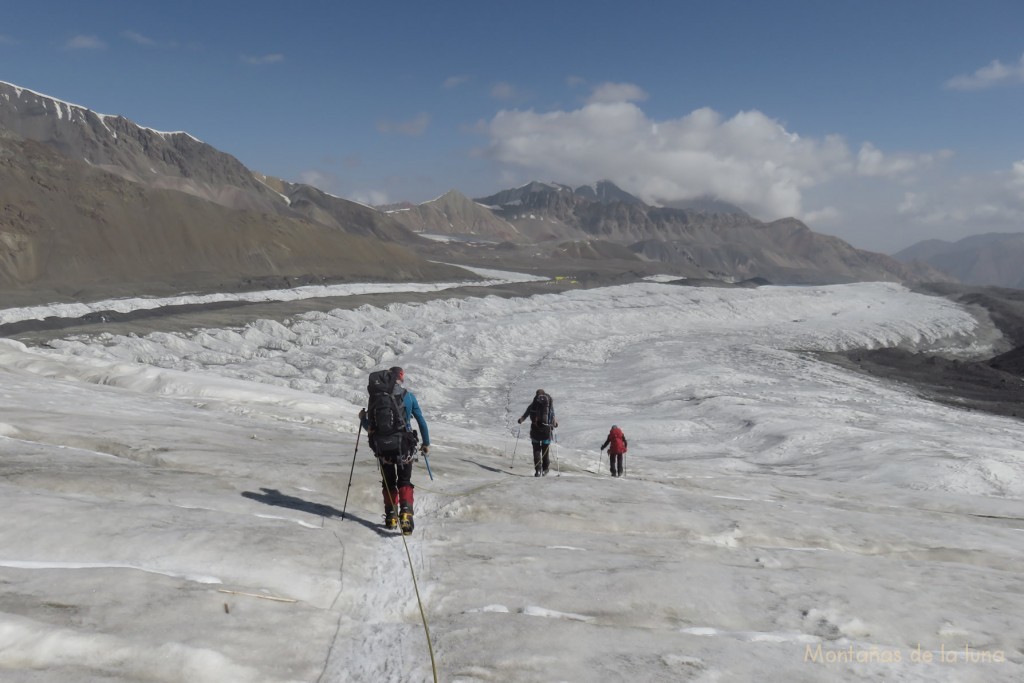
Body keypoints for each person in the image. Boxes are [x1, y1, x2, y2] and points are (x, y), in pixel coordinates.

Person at [360, 366, 430, 534]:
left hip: (383, 449)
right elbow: (421, 421)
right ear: (401, 377)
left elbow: (371, 427)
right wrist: (426, 443)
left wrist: (363, 419)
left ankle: (391, 516)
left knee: (388, 482)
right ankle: (406, 516)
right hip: (404, 447)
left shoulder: (376, 398)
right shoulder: (408, 397)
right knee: (404, 481)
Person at [517, 389, 557, 477]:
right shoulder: (548, 405)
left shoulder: (532, 405)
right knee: (545, 451)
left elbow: (524, 416)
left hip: (535, 431)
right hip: (546, 431)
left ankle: (538, 470)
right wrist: (555, 424)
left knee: (536, 451)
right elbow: (553, 417)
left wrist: (520, 420)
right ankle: (545, 469)